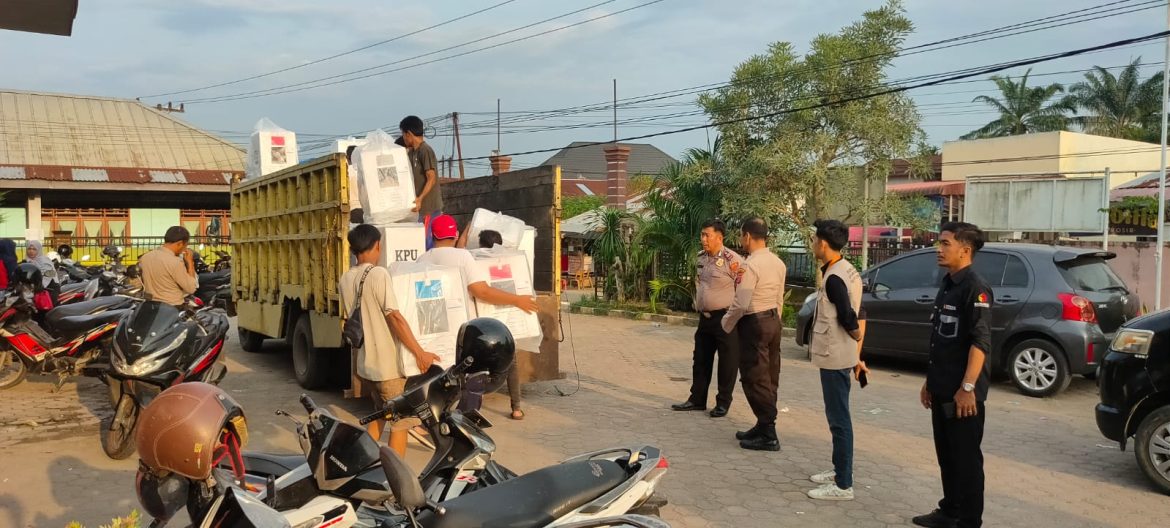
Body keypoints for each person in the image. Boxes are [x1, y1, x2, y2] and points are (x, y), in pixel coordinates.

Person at [912, 222, 992, 528]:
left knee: (967, 459)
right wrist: (930, 382)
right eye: (939, 243)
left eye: (945, 243)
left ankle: (969, 521)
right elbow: (943, 339)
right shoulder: (949, 282)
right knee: (947, 454)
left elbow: (979, 342)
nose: (939, 249)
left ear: (965, 249)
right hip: (943, 386)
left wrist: (968, 387)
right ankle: (950, 511)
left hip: (964, 394)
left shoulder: (975, 287)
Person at [417, 215, 538, 411]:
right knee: (481, 369)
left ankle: (438, 413)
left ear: (433, 235)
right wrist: (517, 299)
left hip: (437, 326)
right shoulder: (463, 256)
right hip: (465, 328)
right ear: (454, 234)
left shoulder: (423, 258)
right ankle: (502, 409)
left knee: (446, 373)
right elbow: (481, 291)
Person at [340, 224, 441, 457]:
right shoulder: (378, 274)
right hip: (387, 368)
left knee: (382, 412)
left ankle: (357, 458)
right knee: (401, 421)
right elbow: (394, 317)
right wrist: (420, 353)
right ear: (377, 245)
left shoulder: (345, 279)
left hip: (366, 365)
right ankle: (396, 478)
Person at [806, 219, 863, 501]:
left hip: (836, 355)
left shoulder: (836, 277)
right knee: (837, 418)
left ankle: (843, 485)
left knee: (839, 420)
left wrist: (854, 340)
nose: (814, 245)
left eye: (815, 240)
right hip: (840, 355)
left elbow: (850, 317)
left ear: (824, 244)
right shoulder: (845, 269)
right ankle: (839, 469)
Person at [722, 217, 787, 451]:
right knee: (770, 374)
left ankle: (768, 432)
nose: (741, 240)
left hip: (755, 323)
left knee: (754, 376)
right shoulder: (778, 263)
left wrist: (726, 323)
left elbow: (741, 302)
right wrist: (776, 320)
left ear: (747, 236)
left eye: (742, 236)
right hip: (772, 320)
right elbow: (779, 297)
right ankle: (762, 424)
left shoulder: (751, 265)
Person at [672, 219, 742, 418]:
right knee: (700, 359)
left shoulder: (733, 260)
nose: (703, 239)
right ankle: (697, 399)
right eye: (702, 235)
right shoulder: (701, 258)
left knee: (727, 362)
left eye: (707, 235)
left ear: (719, 237)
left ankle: (723, 403)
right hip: (705, 318)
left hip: (725, 318)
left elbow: (744, 289)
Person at [476, 229, 526, 420]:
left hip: (485, 325)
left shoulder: (476, 264)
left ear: (481, 245)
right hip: (507, 325)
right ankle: (517, 408)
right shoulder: (511, 263)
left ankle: (474, 407)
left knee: (477, 366)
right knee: (512, 364)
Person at [400, 116, 442, 250]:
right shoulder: (412, 152)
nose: (403, 138)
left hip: (428, 208)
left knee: (426, 244)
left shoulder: (425, 150)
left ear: (409, 134)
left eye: (403, 134)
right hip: (419, 210)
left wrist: (420, 198)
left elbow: (431, 177)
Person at [139, 227, 198, 306]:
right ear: (180, 243)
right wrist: (190, 263)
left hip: (151, 306)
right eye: (185, 245)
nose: (185, 249)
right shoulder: (175, 262)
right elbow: (191, 288)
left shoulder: (145, 257)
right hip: (172, 307)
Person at [345, 144, 363, 225]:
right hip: (365, 209)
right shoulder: (363, 170)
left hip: (352, 210)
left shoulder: (345, 172)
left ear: (347, 157)